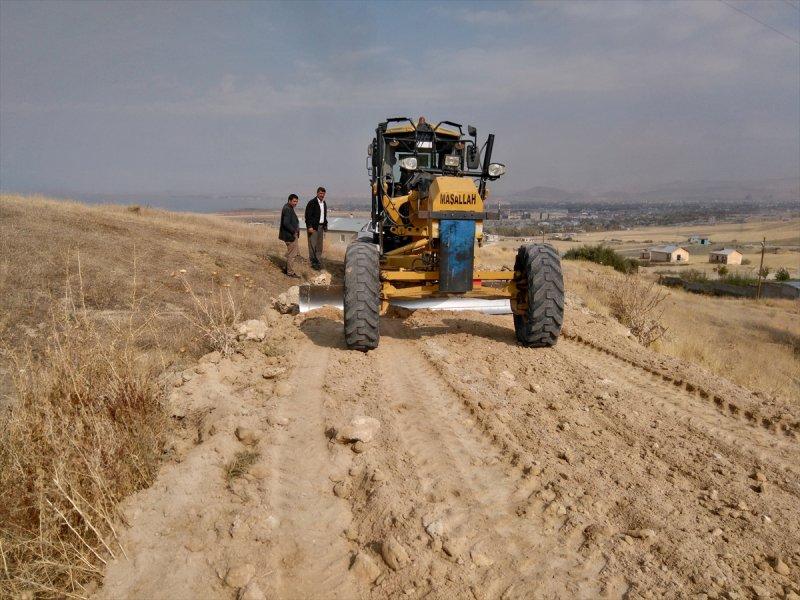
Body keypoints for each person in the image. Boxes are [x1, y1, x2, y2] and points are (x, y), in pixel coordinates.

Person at [304, 186, 328, 270]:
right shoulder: (312, 202)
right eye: (320, 193)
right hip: (313, 227)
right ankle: (312, 262)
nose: (322, 195)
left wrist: (325, 225)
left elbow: (324, 216)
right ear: (317, 193)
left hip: (321, 227)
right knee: (312, 245)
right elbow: (308, 216)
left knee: (319, 245)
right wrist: (309, 226)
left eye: (323, 194)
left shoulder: (323, 203)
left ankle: (318, 261)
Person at [278, 193, 300, 278]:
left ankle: (287, 269)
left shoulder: (289, 207)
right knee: (292, 255)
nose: (295, 203)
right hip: (290, 236)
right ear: (289, 200)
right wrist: (294, 231)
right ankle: (290, 273)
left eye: (296, 202)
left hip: (290, 235)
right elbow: (286, 223)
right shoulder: (287, 209)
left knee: (290, 253)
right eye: (294, 201)